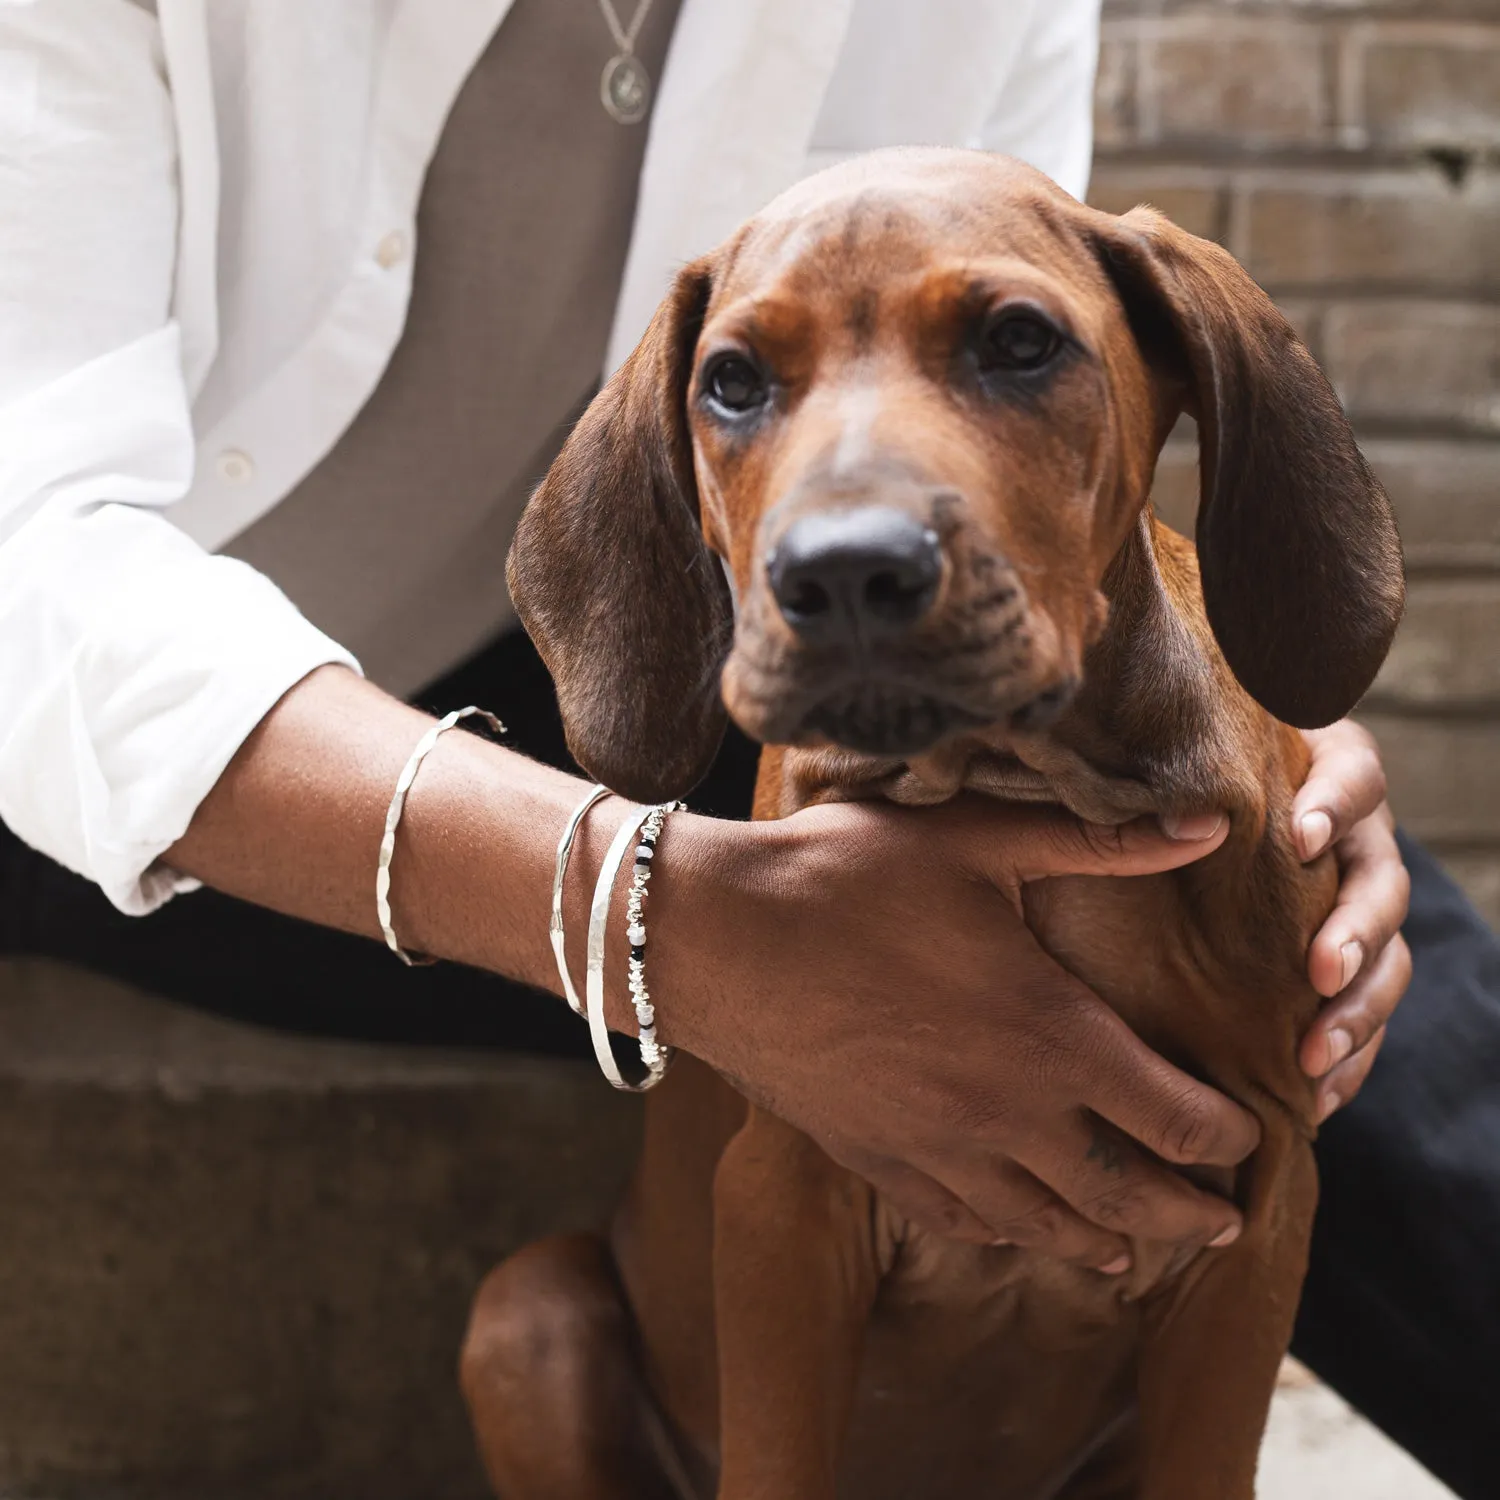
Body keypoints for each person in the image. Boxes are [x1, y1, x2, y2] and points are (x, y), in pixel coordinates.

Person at [0, 3, 1491, 1495]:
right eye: (739, 378)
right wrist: (666, 917)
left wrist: (1250, 699)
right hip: (141, 744)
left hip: (710, 650)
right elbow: (30, 569)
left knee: (1335, 986)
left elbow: (1059, 432)